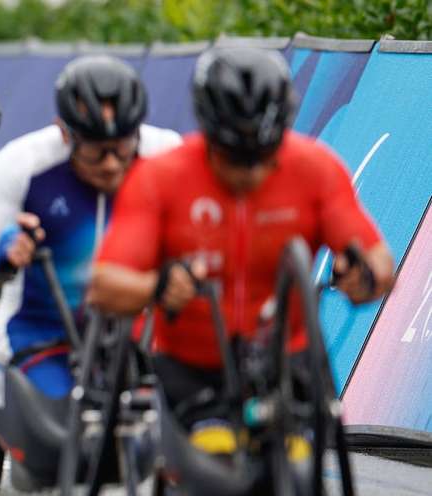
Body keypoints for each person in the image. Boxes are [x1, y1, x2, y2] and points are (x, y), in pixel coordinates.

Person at [87, 47, 394, 452]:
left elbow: (378, 261)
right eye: (234, 157)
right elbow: (103, 285)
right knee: (218, 470)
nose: (249, 173)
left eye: (263, 156)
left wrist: (363, 277)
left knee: (299, 465)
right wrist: (156, 287)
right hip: (194, 366)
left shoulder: (317, 169)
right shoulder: (161, 177)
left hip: (287, 362)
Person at [0, 55, 181, 488]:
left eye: (122, 147)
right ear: (65, 133)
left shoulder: (167, 154)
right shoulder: (26, 162)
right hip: (42, 332)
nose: (110, 164)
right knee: (56, 452)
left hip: (138, 326)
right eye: (94, 150)